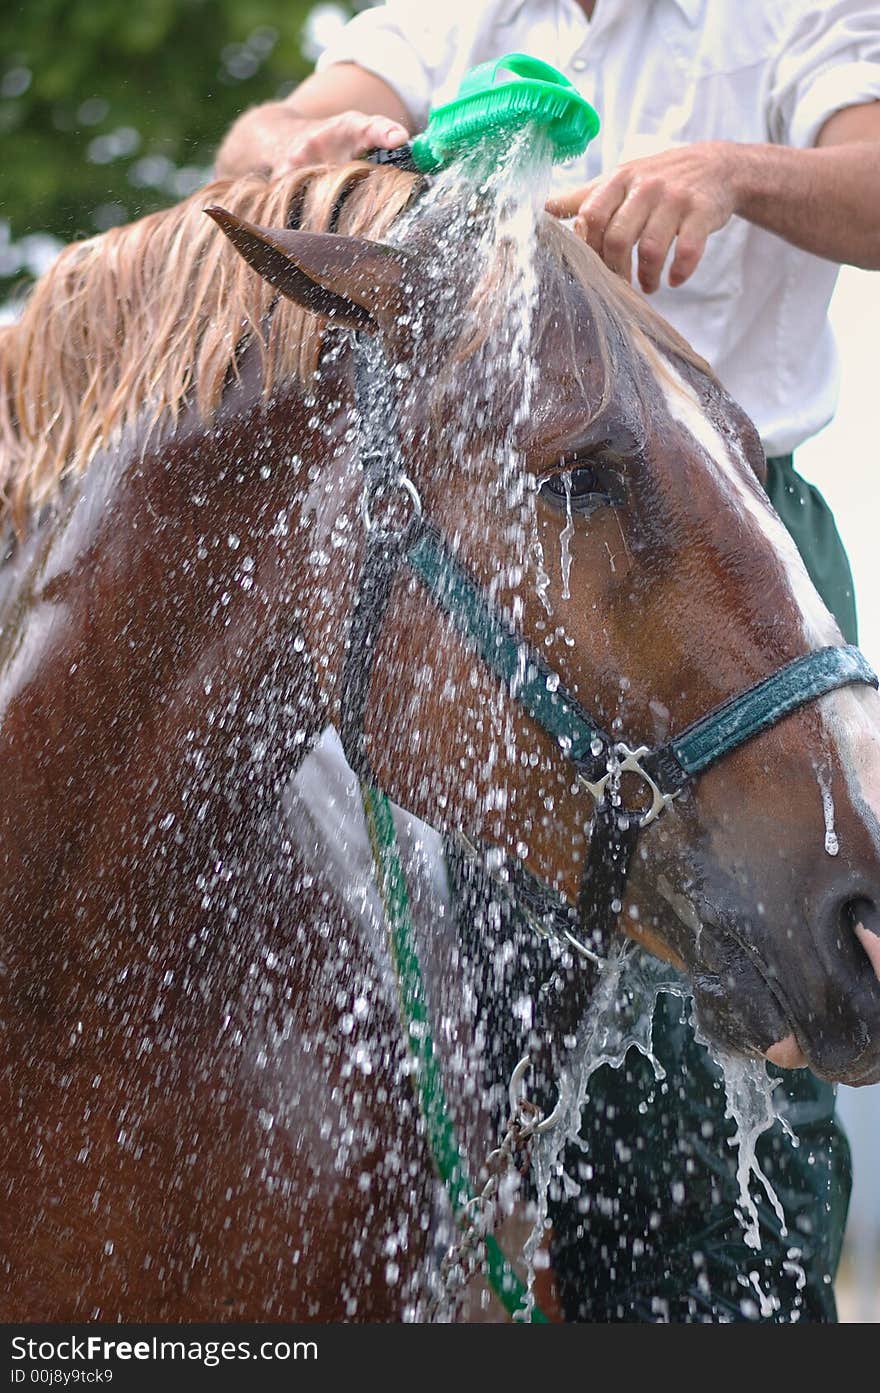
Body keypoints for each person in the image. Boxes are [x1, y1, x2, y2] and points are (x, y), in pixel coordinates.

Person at [217, 1, 880, 1321]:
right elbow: (251, 151)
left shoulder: (792, 10)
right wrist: (323, 141)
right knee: (487, 1036)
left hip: (727, 553)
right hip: (516, 549)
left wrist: (729, 171)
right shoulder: (457, 11)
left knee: (744, 1022)